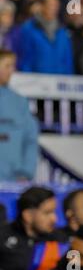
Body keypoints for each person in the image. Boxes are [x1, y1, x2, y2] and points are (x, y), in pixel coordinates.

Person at [0, 187, 68, 270]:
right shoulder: (3, 236)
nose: (54, 219)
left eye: (54, 212)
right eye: (47, 213)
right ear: (28, 215)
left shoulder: (61, 240)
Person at [0, 49, 39, 182]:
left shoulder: (19, 101)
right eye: (7, 66)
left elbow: (30, 139)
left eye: (12, 66)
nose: (12, 71)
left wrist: (26, 172)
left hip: (13, 180)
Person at [17, 0, 74, 74]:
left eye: (56, 5)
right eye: (51, 5)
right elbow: (25, 59)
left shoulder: (63, 31)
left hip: (58, 82)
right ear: (42, 6)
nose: (54, 8)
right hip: (36, 81)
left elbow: (68, 61)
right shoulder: (29, 29)